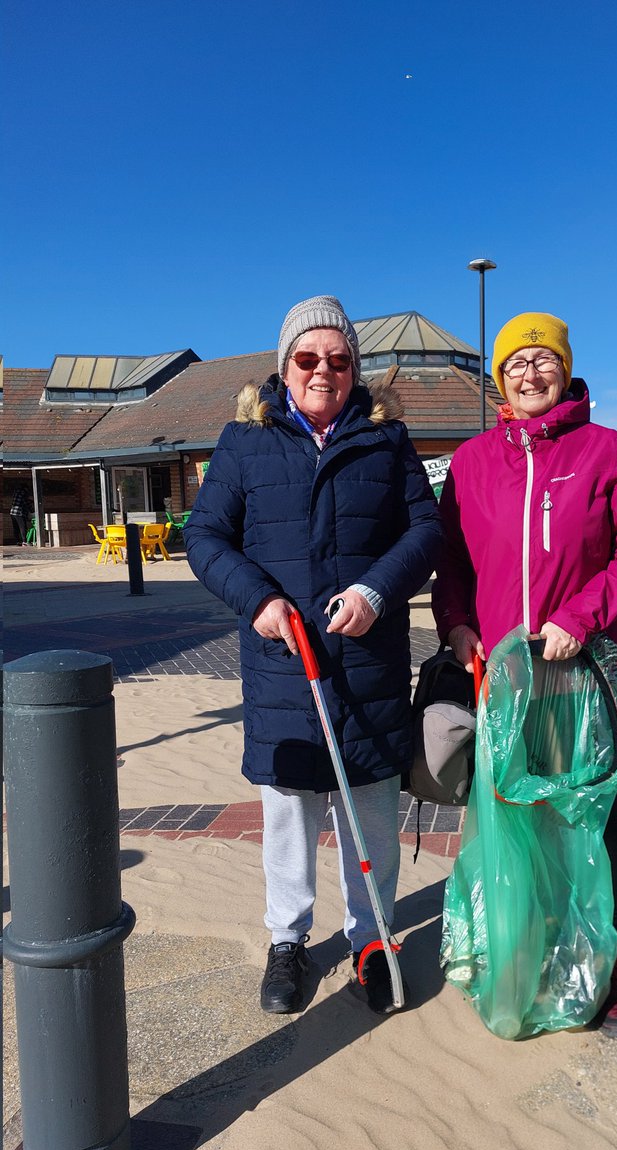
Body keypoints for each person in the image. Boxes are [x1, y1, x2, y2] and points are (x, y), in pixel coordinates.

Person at [186, 296, 442, 1016]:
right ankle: (288, 940)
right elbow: (205, 539)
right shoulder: (245, 439)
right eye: (308, 358)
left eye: (338, 358)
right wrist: (258, 600)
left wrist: (377, 591)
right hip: (284, 667)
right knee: (290, 816)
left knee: (371, 819)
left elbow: (425, 531)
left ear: (354, 368)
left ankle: (372, 938)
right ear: (284, 366)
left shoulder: (387, 440)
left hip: (368, 664)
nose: (322, 370)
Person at [432, 311, 617, 1040]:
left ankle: (612, 959)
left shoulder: (603, 452)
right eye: (516, 363)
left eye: (543, 360)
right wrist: (457, 626)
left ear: (565, 369)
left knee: (590, 810)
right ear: (500, 380)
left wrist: (582, 613)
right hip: (505, 675)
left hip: (580, 668)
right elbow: (453, 566)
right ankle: (529, 949)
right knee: (517, 813)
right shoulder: (471, 463)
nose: (531, 373)